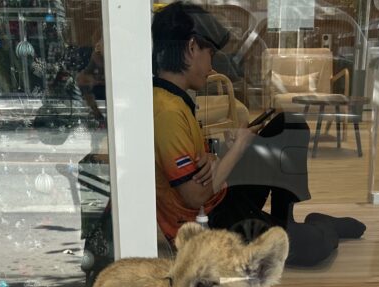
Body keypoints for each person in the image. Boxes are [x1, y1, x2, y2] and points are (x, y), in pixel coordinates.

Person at [151, 2, 364, 267]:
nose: (212, 67)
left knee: (289, 124)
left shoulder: (173, 98)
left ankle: (285, 223)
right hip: (212, 222)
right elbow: (195, 196)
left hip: (221, 195)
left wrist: (216, 156)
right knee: (314, 246)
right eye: (210, 54)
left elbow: (195, 169)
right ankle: (318, 226)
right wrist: (239, 146)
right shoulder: (167, 111)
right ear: (192, 47)